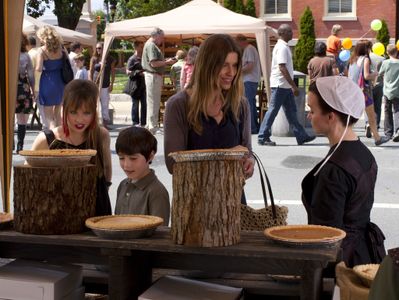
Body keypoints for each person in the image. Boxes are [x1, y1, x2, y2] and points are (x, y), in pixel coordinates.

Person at [302, 76, 385, 268]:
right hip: (364, 253)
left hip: (342, 264)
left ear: (330, 117)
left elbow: (327, 237)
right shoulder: (365, 154)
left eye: (312, 110)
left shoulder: (334, 171)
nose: (309, 116)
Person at [163, 34, 255, 205]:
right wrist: (226, 156)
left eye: (235, 66)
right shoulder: (178, 105)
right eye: (224, 65)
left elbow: (247, 149)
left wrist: (249, 162)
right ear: (207, 65)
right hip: (194, 208)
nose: (231, 73)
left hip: (233, 206)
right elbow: (173, 165)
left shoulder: (240, 104)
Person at [31, 79, 112, 216]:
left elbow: (107, 169)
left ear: (95, 112)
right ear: (64, 108)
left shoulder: (101, 135)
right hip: (57, 214)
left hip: (96, 211)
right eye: (74, 112)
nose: (80, 120)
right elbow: (30, 182)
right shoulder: (46, 140)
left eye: (87, 113)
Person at [258, 24, 315, 146]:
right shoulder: (282, 48)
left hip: (284, 86)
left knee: (291, 112)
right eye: (289, 31)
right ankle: (263, 136)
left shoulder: (283, 46)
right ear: (283, 33)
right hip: (280, 85)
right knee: (273, 110)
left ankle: (301, 136)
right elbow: (282, 67)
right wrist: (293, 86)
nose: (292, 33)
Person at [114, 126, 170, 225]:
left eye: (133, 158)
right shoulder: (123, 185)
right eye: (121, 158)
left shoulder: (157, 192)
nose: (126, 165)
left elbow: (160, 233)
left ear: (150, 156)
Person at [348, 40, 389, 146]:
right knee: (371, 115)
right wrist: (375, 74)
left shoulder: (352, 59)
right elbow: (366, 76)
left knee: (354, 115)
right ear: (365, 49)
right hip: (364, 91)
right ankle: (377, 138)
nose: (370, 50)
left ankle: (346, 135)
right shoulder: (365, 59)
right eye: (369, 48)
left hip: (354, 90)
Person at [142, 27, 177, 134]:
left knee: (152, 101)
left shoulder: (149, 44)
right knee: (154, 102)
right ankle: (152, 126)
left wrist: (165, 61)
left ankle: (150, 125)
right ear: (156, 36)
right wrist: (167, 62)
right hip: (153, 76)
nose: (162, 40)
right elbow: (153, 63)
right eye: (161, 37)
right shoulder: (151, 45)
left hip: (152, 75)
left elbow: (154, 62)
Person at [36, 25, 66, 129]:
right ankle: (60, 138)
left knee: (48, 116)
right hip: (60, 82)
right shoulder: (61, 49)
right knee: (58, 115)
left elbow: (39, 68)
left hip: (47, 82)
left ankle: (53, 139)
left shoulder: (41, 51)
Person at [236, 34, 261, 134]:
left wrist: (238, 71)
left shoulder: (249, 49)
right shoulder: (249, 49)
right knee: (251, 104)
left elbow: (250, 66)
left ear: (241, 41)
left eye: (237, 44)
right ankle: (254, 126)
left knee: (248, 104)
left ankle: (252, 127)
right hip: (250, 80)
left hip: (249, 80)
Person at [89, 42, 116, 130]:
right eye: (97, 48)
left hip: (105, 84)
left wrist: (112, 83)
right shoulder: (94, 59)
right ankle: (94, 122)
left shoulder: (110, 59)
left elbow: (112, 71)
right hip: (95, 84)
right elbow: (91, 71)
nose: (98, 50)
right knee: (94, 104)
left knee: (105, 104)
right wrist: (90, 83)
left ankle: (104, 123)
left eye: (100, 48)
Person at [16, 34, 34, 153]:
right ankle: (20, 145)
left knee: (9, 117)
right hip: (23, 87)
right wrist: (34, 90)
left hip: (9, 86)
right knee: (22, 118)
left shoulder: (8, 55)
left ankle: (9, 143)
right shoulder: (26, 56)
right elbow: (31, 75)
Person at [379, 44, 399, 141]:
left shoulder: (385, 62)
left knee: (387, 111)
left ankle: (388, 133)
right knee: (397, 110)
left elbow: (380, 73)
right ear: (396, 52)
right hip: (397, 90)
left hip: (387, 90)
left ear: (387, 52)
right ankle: (398, 130)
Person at [27, 35, 47, 129]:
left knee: (27, 107)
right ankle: (46, 126)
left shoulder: (30, 54)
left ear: (28, 44)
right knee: (43, 108)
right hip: (43, 83)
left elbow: (29, 72)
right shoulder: (40, 52)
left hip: (34, 84)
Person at [126, 41, 146, 127]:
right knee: (135, 105)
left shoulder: (144, 58)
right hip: (135, 85)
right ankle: (135, 123)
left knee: (144, 104)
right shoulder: (132, 59)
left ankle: (144, 122)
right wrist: (138, 73)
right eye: (141, 46)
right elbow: (127, 72)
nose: (142, 48)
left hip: (143, 84)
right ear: (136, 47)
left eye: (143, 47)